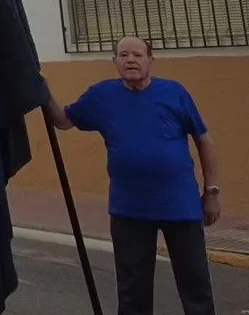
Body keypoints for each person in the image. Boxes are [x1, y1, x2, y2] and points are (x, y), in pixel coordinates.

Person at [44, 37, 219, 315]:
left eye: (137, 54)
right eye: (123, 55)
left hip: (181, 207)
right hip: (130, 211)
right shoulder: (101, 96)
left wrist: (211, 192)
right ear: (115, 62)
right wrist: (43, 90)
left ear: (151, 60)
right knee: (132, 293)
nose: (130, 60)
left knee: (196, 288)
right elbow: (63, 121)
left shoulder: (175, 92)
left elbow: (204, 140)